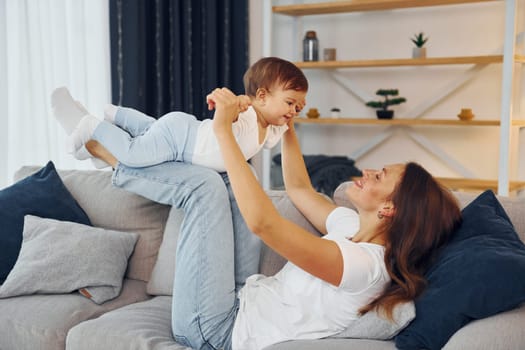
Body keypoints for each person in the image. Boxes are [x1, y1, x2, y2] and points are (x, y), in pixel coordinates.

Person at [60, 85, 462, 350]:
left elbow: (264, 224)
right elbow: (301, 190)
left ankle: (113, 154)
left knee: (204, 188)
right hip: (239, 296)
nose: (370, 170)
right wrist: (286, 127)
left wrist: (222, 131)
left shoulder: (362, 266)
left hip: (217, 330)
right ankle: (124, 143)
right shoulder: (352, 229)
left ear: (390, 208)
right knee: (231, 176)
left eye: (382, 176)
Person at [51, 56, 308, 171]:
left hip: (182, 133)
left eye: (299, 105)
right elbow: (232, 109)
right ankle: (91, 126)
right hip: (182, 139)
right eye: (289, 102)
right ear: (261, 96)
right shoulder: (247, 109)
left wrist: (291, 112)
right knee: (134, 154)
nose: (294, 110)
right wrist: (238, 103)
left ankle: (117, 116)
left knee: (147, 132)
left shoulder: (270, 130)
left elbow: (282, 132)